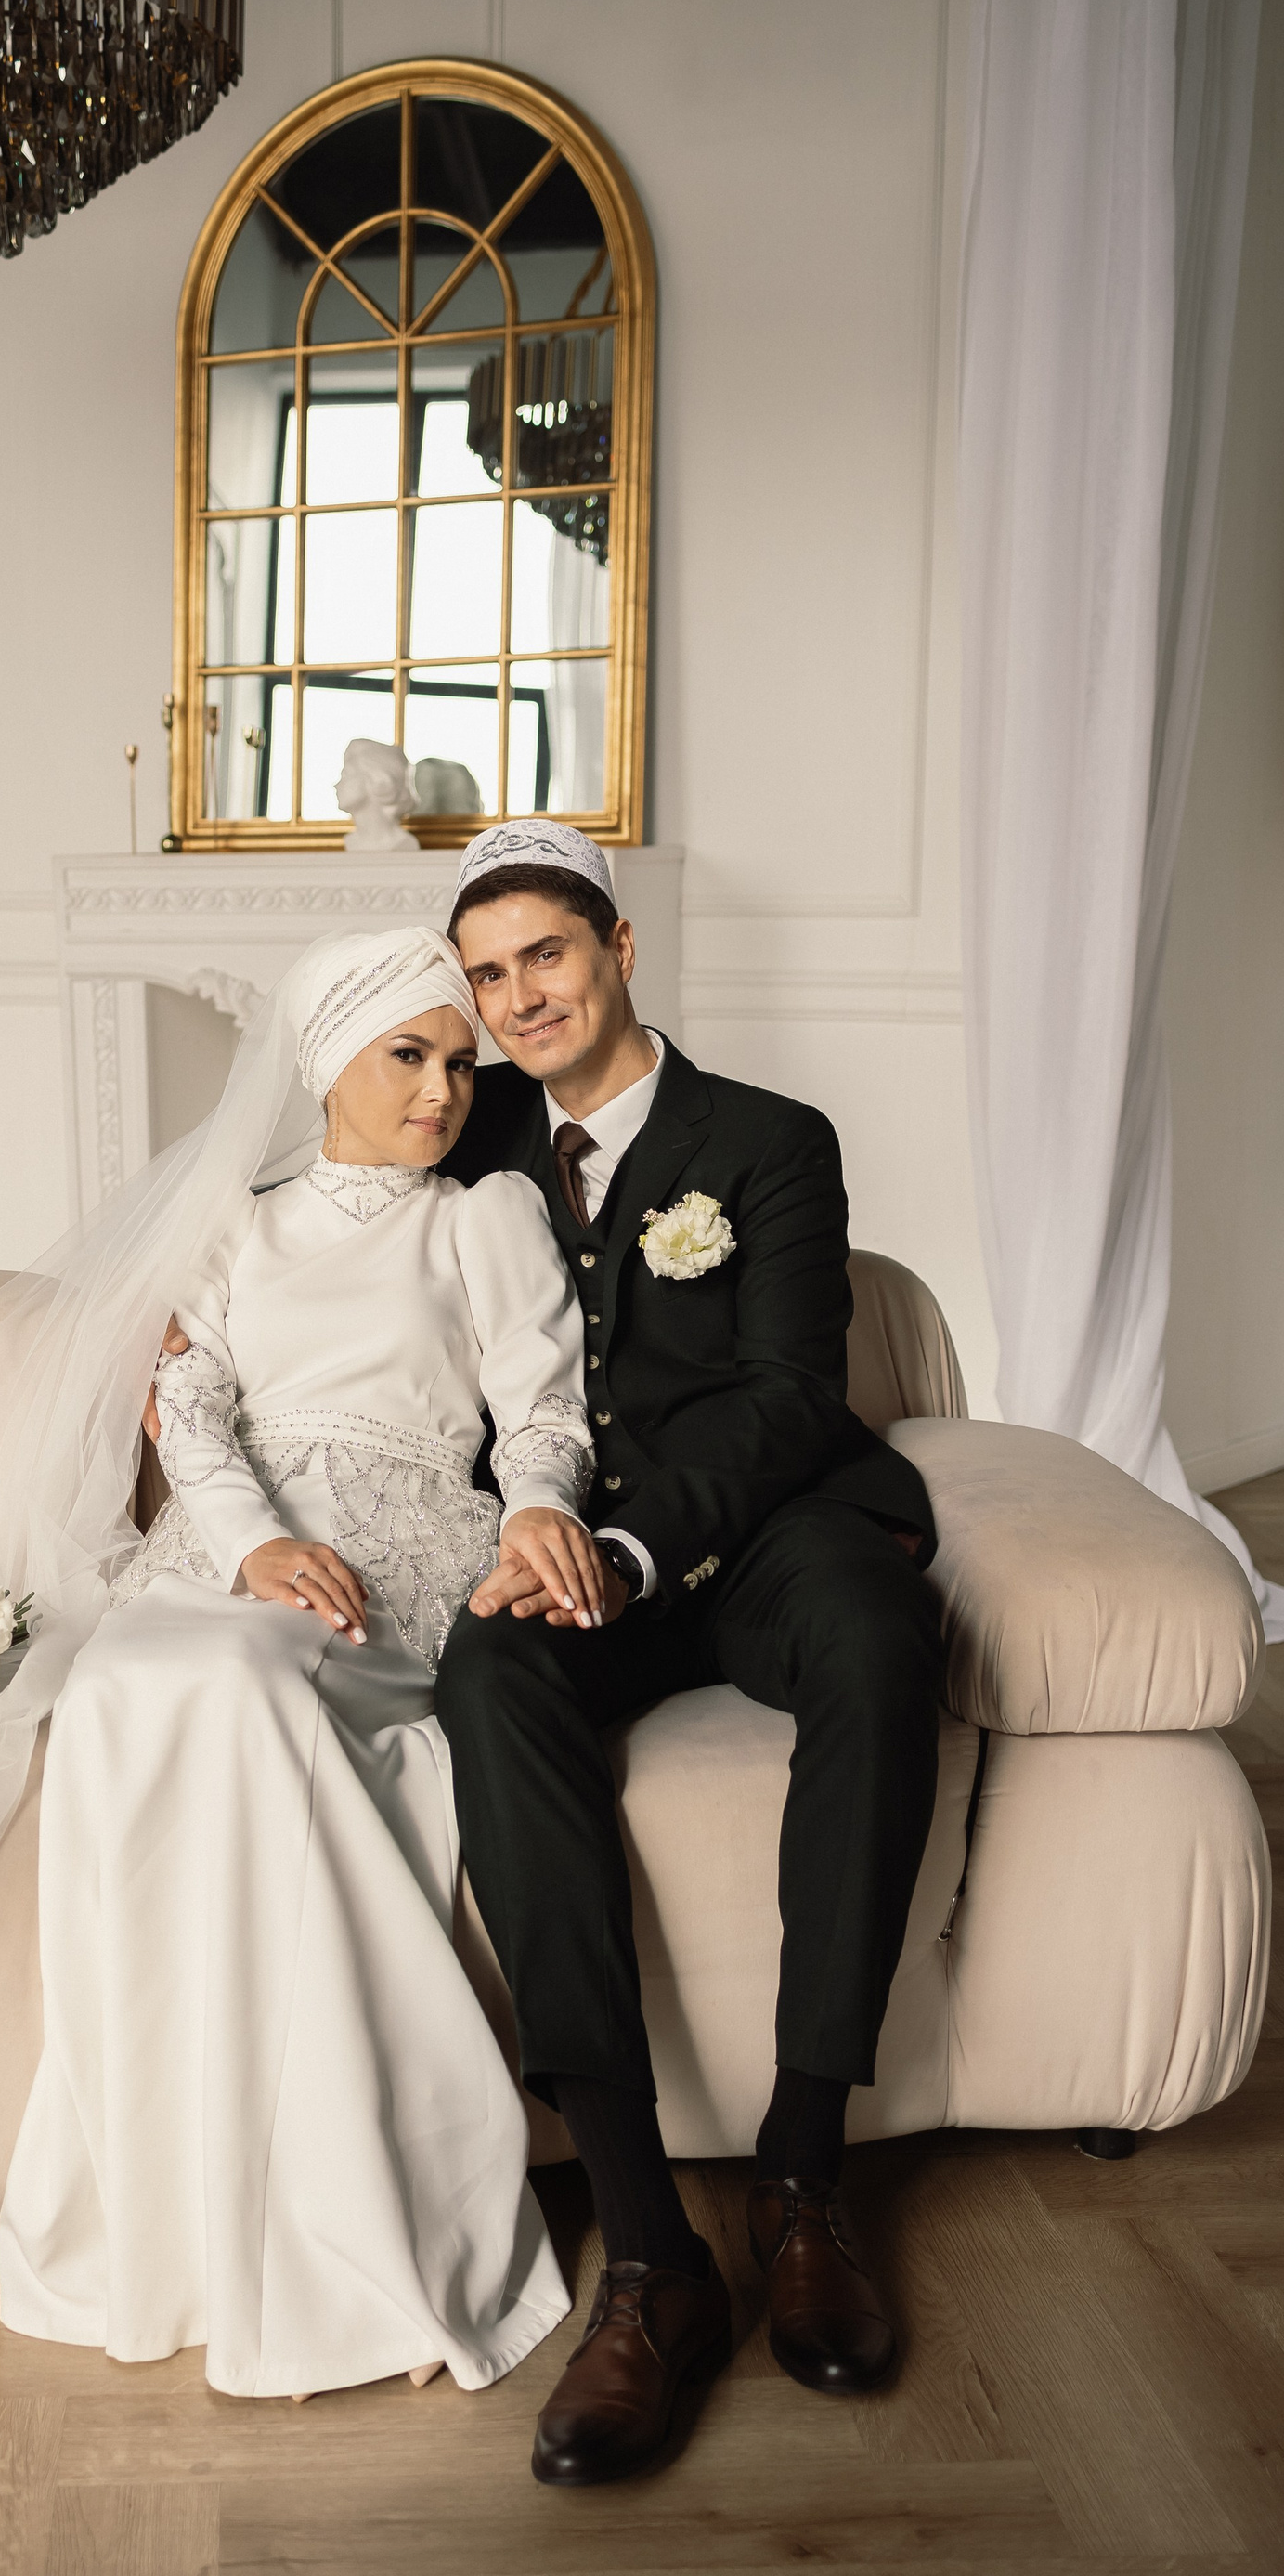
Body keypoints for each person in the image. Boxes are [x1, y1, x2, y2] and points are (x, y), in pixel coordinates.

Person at [0, 925, 601, 2398]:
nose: (444, 1090)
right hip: (236, 1551)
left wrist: (539, 1510)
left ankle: (358, 2216)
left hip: (393, 1562)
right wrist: (252, 1543)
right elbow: (190, 1411)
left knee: (247, 1685)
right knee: (126, 1688)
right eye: (411, 1056)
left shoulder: (485, 1218)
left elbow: (542, 1407)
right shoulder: (236, 1227)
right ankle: (171, 2222)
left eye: (462, 1064)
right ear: (328, 1064)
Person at [434, 819, 945, 2485]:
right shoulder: (465, 1129)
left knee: (880, 1633)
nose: (520, 997)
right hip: (563, 1538)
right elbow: (319, 1212)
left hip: (764, 1526)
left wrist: (641, 1549)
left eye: (547, 955)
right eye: (488, 975)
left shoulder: (772, 1139)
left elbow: (795, 1393)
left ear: (621, 950)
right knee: (489, 1675)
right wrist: (197, 1316)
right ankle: (652, 2258)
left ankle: (804, 2173)